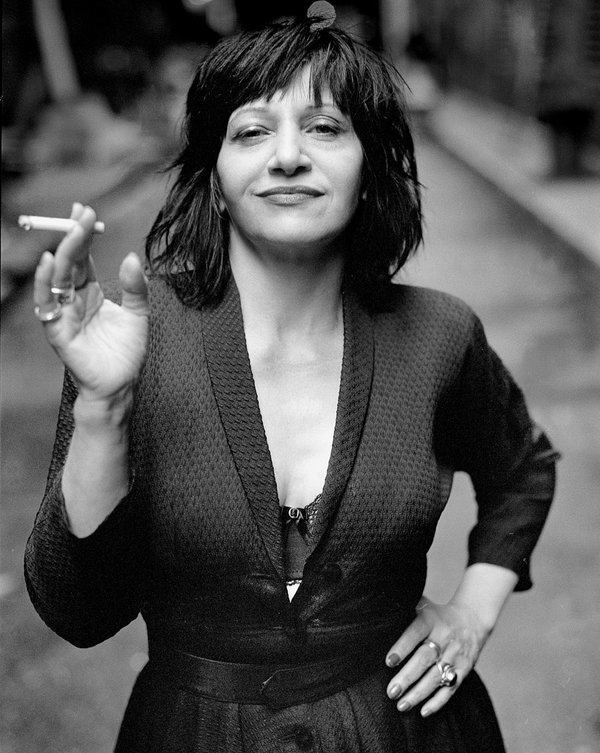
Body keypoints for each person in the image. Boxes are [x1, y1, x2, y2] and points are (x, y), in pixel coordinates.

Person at [25, 6, 558, 752]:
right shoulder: (134, 340)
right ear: (213, 179)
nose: (287, 157)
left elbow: (524, 468)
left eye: (324, 127)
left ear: (369, 167)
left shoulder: (440, 334)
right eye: (251, 131)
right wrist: (103, 410)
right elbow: (76, 611)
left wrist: (474, 606)